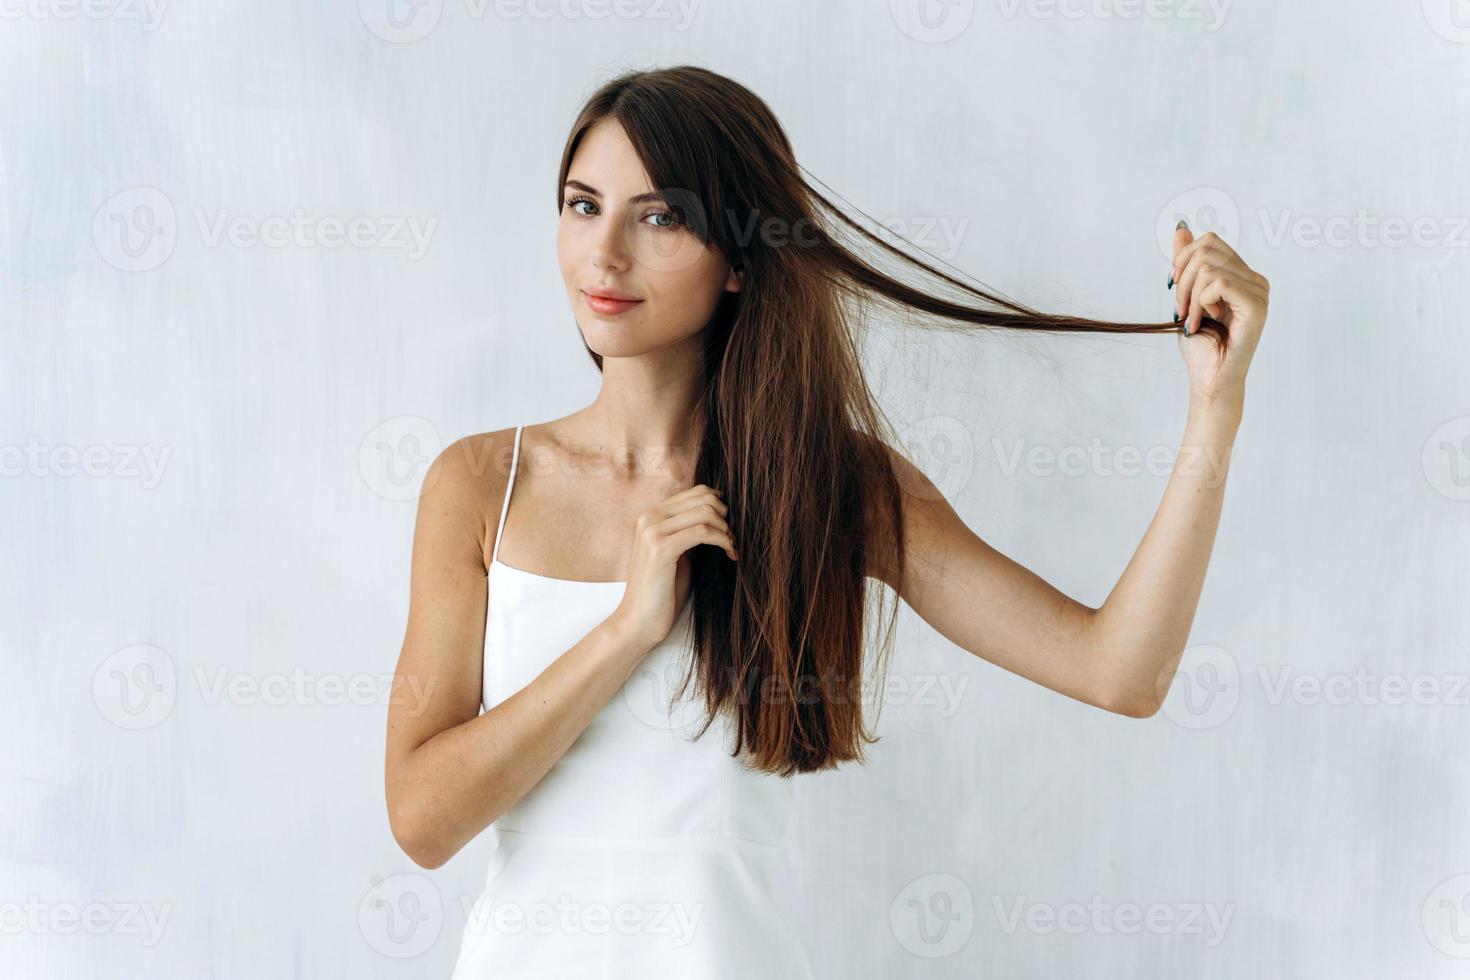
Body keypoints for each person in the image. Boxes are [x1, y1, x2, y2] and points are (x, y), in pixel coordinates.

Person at [384, 64, 1270, 978]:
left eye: (659, 217)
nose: (603, 253)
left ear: (738, 259)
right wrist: (626, 631)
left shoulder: (828, 485)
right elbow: (422, 821)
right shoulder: (484, 484)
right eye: (581, 204)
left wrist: (1216, 410)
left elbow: (1120, 671)